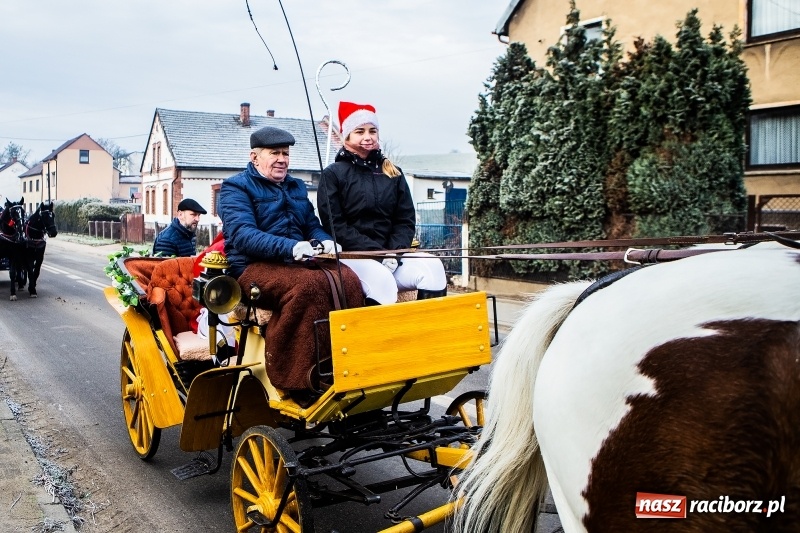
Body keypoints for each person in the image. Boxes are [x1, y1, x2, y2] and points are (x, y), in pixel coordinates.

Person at [218, 125, 364, 395]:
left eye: (286, 153)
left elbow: (311, 224)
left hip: (295, 263)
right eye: (275, 153)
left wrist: (324, 240)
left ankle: (347, 365)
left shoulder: (296, 187)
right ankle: (296, 376)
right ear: (254, 157)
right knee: (307, 287)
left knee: (350, 280)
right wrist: (291, 247)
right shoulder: (234, 188)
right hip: (251, 268)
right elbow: (243, 235)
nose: (282, 159)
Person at [318, 101, 448, 304]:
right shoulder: (333, 174)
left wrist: (394, 253)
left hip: (391, 257)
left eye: (372, 130)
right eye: (360, 131)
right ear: (348, 136)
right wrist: (377, 253)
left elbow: (405, 220)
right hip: (353, 257)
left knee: (432, 266)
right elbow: (336, 226)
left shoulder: (393, 172)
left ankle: (429, 333)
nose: (367, 137)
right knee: (382, 280)